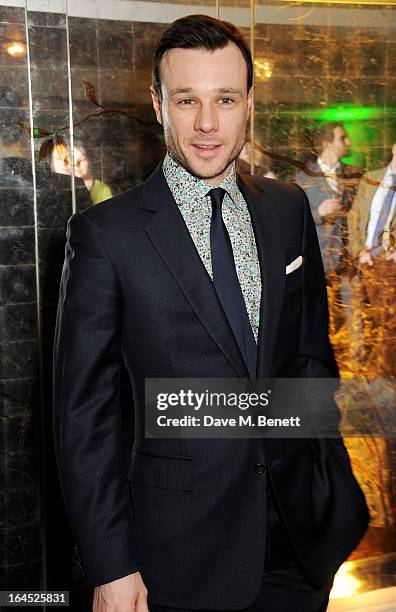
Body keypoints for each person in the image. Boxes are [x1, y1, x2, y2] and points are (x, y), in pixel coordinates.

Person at [53, 15, 370, 612]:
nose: (206, 123)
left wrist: (325, 476)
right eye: (186, 100)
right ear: (158, 105)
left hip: (298, 547)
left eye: (225, 99)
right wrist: (111, 565)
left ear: (248, 102)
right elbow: (83, 416)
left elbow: (308, 357)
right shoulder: (106, 235)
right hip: (178, 558)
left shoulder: (285, 208)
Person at [295, 123, 360, 343]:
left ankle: (358, 369)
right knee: (320, 320)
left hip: (348, 261)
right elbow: (293, 220)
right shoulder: (303, 178)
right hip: (318, 260)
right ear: (327, 144)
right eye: (343, 138)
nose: (349, 142)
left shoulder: (353, 175)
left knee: (356, 318)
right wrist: (318, 213)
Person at [348, 144, 396, 376]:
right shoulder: (371, 178)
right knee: (358, 320)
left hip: (388, 269)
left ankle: (382, 377)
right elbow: (354, 217)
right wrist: (359, 253)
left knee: (385, 326)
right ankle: (359, 373)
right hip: (362, 261)